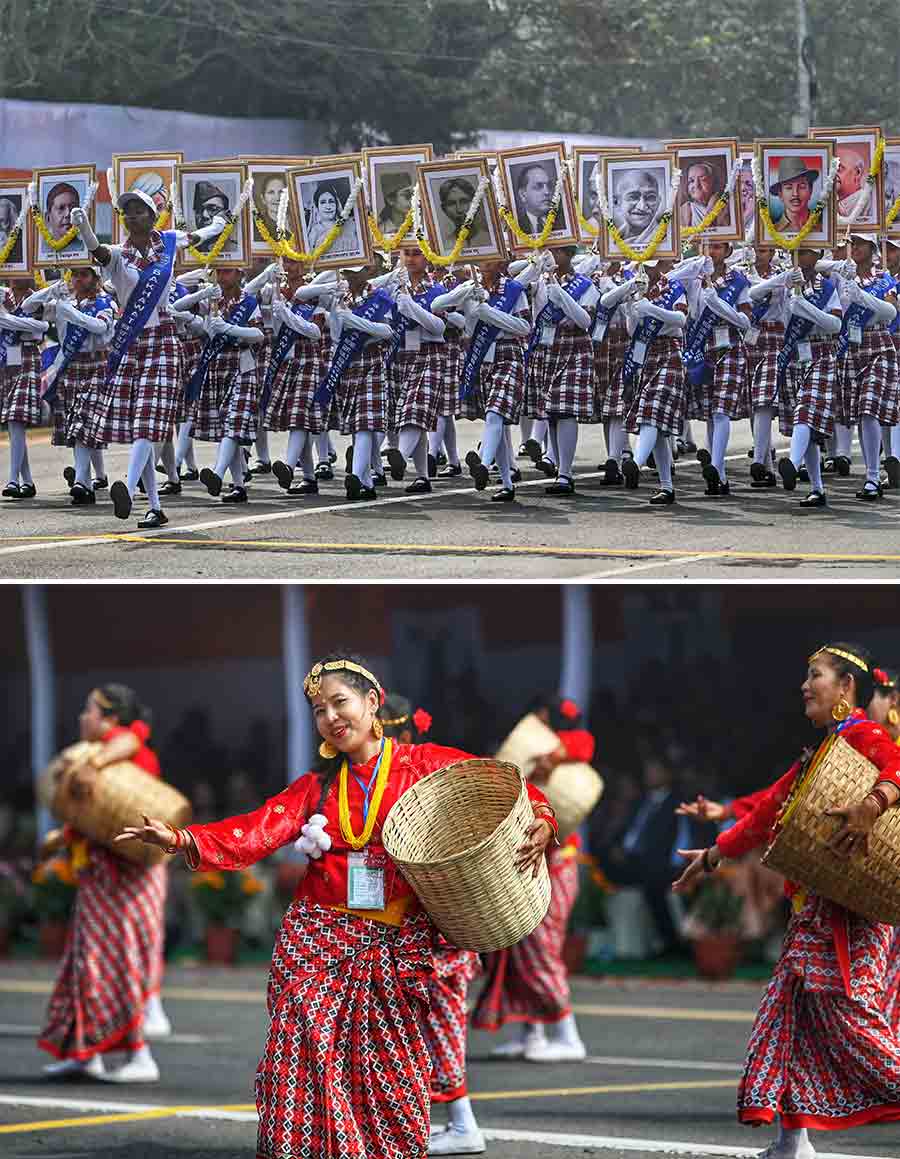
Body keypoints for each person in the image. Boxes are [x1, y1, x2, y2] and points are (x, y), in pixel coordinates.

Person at [117, 653, 558, 1159]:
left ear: (372, 703)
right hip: (316, 939)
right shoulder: (318, 785)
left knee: (385, 1066)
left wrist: (543, 819)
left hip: (393, 944)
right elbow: (257, 831)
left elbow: (509, 786)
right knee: (300, 1044)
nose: (329, 716)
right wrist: (179, 837)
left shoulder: (425, 765)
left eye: (339, 702)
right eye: (318, 709)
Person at [673, 643, 900, 1159]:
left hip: (848, 917)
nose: (804, 685)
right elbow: (764, 813)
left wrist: (871, 804)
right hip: (813, 912)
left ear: (846, 689)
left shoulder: (864, 736)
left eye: (814, 675)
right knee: (789, 1020)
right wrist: (712, 855)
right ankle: (791, 1142)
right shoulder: (824, 752)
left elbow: (897, 769)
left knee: (851, 1020)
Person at [69, 185, 227, 528]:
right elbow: (97, 253)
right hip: (130, 343)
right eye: (127, 212)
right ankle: (154, 505)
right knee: (143, 422)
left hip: (164, 338)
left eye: (138, 210)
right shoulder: (118, 254)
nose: (132, 216)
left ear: (152, 215)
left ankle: (126, 486)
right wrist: (83, 228)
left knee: (149, 418)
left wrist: (218, 224)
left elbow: (197, 237)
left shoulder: (168, 241)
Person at [40, 684, 168, 1083]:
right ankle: (84, 1053)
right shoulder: (100, 759)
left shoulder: (130, 754)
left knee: (113, 966)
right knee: (84, 965)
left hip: (124, 880)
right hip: (100, 878)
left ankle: (139, 1056)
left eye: (90, 710)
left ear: (110, 719)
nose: (83, 717)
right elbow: (94, 818)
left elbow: (133, 736)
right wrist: (64, 837)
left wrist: (91, 766)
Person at [378, 693, 485, 1156]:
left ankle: (461, 1124)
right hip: (409, 926)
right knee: (416, 1027)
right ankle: (431, 1121)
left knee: (439, 1023)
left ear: (401, 735)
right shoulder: (385, 777)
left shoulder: (428, 778)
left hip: (437, 928)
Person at [473, 695, 593, 1063]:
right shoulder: (533, 759)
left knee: (540, 947)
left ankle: (568, 1034)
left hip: (557, 866)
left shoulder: (572, 747)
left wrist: (553, 756)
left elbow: (583, 744)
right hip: (524, 863)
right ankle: (533, 1033)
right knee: (515, 949)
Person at [524, 245, 598, 497]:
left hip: (574, 348)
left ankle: (566, 473)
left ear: (568, 255)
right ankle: (557, 467)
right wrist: (535, 265)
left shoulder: (585, 284)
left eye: (556, 252)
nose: (551, 257)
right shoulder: (539, 281)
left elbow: (585, 321)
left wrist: (561, 294)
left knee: (565, 412)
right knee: (552, 413)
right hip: (546, 349)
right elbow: (515, 279)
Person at [774, 247, 843, 509]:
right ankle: (817, 488)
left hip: (822, 353)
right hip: (795, 354)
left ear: (817, 257)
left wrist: (803, 305)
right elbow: (758, 297)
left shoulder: (826, 287)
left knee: (805, 411)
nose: (801, 258)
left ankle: (792, 463)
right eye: (797, 252)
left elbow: (836, 324)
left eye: (806, 253)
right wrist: (783, 287)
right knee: (807, 427)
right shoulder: (783, 285)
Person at [834, 233, 899, 501]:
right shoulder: (843, 278)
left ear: (872, 248)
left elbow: (891, 312)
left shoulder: (883, 279)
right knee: (862, 413)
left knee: (871, 408)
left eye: (860, 244)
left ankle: (873, 476)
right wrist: (840, 273)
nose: (855, 248)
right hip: (852, 346)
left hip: (879, 344)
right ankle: (873, 470)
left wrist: (861, 296)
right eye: (853, 243)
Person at [620, 258, 688, 504]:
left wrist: (652, 309)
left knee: (652, 410)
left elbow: (681, 320)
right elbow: (632, 330)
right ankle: (666, 486)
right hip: (648, 352)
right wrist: (632, 307)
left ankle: (636, 463)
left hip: (671, 351)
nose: (645, 271)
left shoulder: (673, 286)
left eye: (649, 267)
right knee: (656, 424)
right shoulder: (636, 290)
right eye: (642, 267)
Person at [49, 266, 117, 505]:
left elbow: (101, 328)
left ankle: (80, 480)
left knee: (83, 422)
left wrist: (70, 312)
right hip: (72, 366)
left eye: (84, 274)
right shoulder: (66, 302)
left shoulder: (105, 302)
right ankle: (85, 486)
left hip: (98, 366)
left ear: (95, 278)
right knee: (77, 426)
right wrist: (53, 293)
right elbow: (30, 309)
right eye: (74, 274)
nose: (78, 279)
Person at [384, 246, 447, 495]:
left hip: (429, 352)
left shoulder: (436, 289)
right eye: (406, 253)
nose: (410, 258)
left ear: (427, 257)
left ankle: (400, 455)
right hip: (402, 354)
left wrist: (411, 307)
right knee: (414, 417)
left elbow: (439, 327)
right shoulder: (393, 288)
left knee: (415, 409)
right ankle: (422, 476)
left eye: (416, 253)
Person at [0, 279, 52, 499]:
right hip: (7, 358)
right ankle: (27, 481)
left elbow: (42, 327)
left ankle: (13, 479)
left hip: (28, 356)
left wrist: (6, 320)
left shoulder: (39, 297)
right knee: (14, 425)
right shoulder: (4, 294)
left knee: (15, 418)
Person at [306, 181, 359, 257]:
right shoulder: (314, 232)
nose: (328, 206)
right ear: (317, 207)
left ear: (336, 204)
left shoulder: (351, 225)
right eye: (323, 202)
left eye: (331, 201)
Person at [438, 177, 491, 249]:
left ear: (476, 203)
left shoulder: (490, 239)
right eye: (451, 203)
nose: (459, 210)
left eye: (464, 201)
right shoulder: (445, 246)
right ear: (444, 209)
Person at [613, 169, 663, 244]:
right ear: (616, 202)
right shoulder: (612, 238)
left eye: (650, 197)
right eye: (633, 197)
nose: (642, 207)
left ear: (658, 202)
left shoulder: (664, 239)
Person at [769, 159, 818, 233]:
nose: (795, 194)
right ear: (780, 194)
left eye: (802, 186)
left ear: (810, 191)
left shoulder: (823, 229)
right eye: (789, 187)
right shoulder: (772, 232)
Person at [679, 162, 728, 230]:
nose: (696, 185)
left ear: (714, 183)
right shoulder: (682, 210)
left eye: (703, 180)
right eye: (691, 181)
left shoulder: (726, 207)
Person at [514, 162, 555, 236]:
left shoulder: (564, 223)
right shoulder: (516, 226)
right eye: (538, 186)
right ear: (523, 195)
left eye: (549, 186)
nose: (547, 192)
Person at [836, 149, 872, 222]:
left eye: (839, 169)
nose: (833, 174)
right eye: (831, 170)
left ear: (857, 173)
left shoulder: (866, 199)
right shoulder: (831, 199)